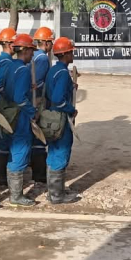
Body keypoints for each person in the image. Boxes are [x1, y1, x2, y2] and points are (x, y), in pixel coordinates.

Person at [3, 33, 38, 206]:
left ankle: (14, 192)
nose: (33, 54)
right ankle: (16, 196)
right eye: (31, 50)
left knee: (14, 151)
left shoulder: (11, 67)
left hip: (10, 113)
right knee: (20, 152)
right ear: (24, 50)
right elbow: (20, 98)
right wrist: (33, 111)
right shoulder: (23, 70)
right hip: (21, 116)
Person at [44, 37, 79, 204]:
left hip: (51, 117)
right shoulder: (63, 73)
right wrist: (71, 109)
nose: (73, 54)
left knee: (53, 153)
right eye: (71, 51)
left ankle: (53, 192)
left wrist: (70, 87)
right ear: (65, 54)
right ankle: (57, 196)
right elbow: (58, 99)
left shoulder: (54, 70)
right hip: (61, 119)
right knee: (61, 153)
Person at [0, 27, 16, 185]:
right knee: (3, 140)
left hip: (3, 104)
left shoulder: (3, 60)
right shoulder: (6, 61)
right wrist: (10, 95)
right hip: (5, 106)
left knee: (3, 140)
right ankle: (1, 176)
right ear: (8, 44)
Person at [30, 26, 54, 183]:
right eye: (51, 42)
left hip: (31, 99)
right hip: (38, 101)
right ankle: (39, 174)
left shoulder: (33, 56)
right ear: (45, 43)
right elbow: (37, 82)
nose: (52, 45)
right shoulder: (43, 59)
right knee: (39, 138)